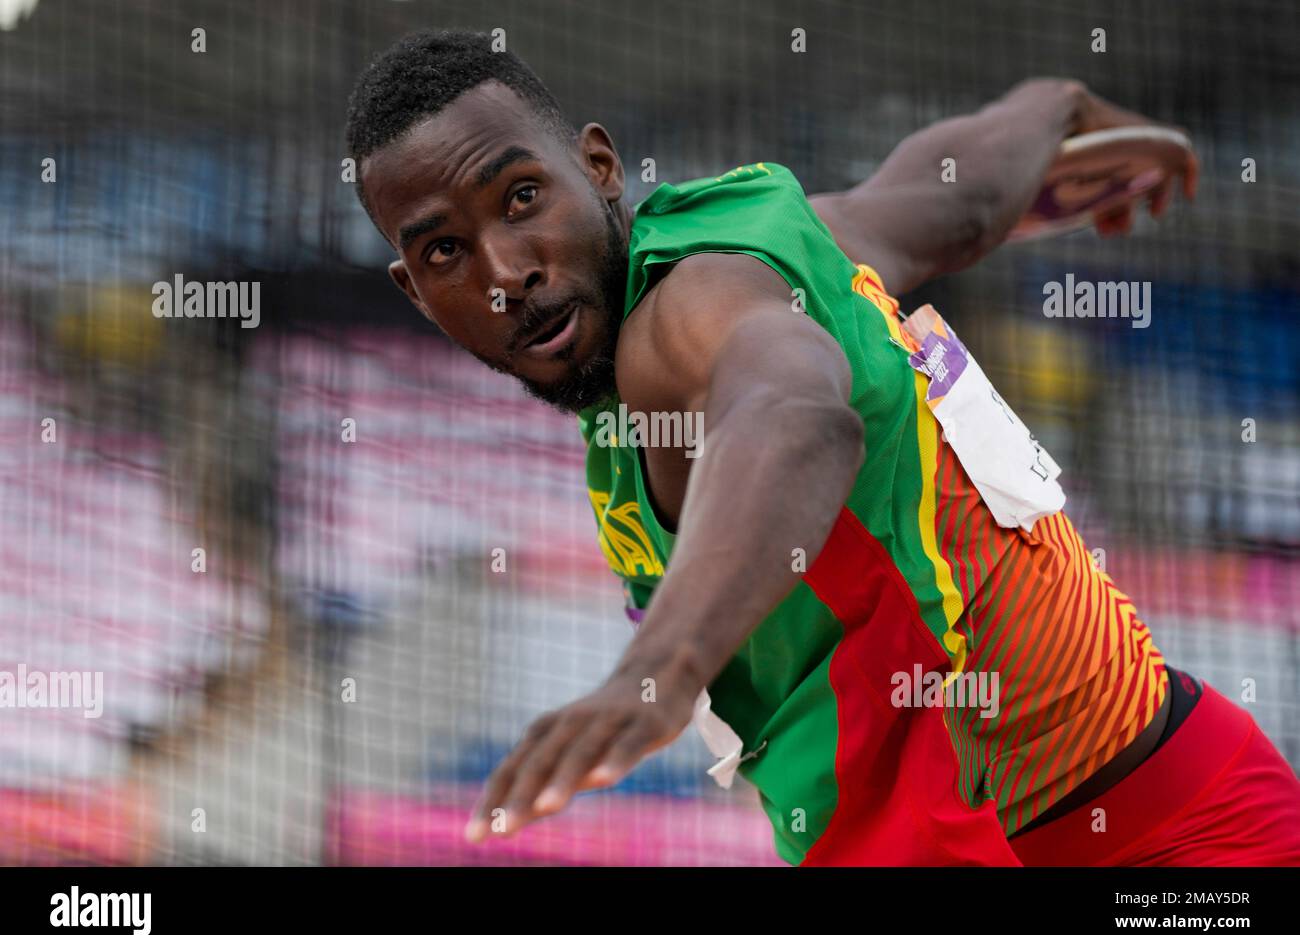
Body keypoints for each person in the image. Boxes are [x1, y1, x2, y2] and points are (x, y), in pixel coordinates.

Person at [345, 29, 1300, 866]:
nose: (508, 271)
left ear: (598, 167)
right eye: (444, 253)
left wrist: (666, 671)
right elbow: (950, 202)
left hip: (1167, 838)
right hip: (1152, 790)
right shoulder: (774, 234)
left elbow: (793, 415)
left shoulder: (679, 320)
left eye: (520, 198)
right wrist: (1054, 107)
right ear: (413, 291)